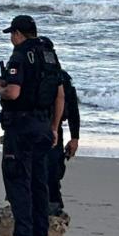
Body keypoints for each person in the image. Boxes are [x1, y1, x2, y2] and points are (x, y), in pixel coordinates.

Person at [0, 15, 64, 236]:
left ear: (18, 34)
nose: (11, 39)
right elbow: (60, 95)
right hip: (44, 126)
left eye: (12, 34)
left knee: (18, 182)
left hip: (21, 127)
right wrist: (54, 127)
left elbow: (13, 93)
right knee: (39, 184)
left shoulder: (20, 56)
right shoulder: (49, 55)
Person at [41, 38, 80, 216]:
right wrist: (75, 138)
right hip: (48, 128)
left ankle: (53, 206)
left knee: (52, 171)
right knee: (49, 171)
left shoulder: (61, 77)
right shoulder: (60, 76)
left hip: (50, 128)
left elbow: (72, 109)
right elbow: (73, 110)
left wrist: (75, 137)